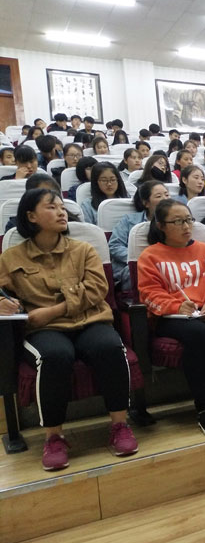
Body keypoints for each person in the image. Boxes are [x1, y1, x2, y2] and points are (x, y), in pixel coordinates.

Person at [0, 187, 138, 470]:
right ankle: (54, 437)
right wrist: (3, 302)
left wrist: (53, 310)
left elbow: (97, 290)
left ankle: (120, 425)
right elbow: (4, 294)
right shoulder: (11, 257)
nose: (61, 212)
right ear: (31, 216)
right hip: (45, 330)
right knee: (54, 355)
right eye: (51, 207)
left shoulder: (82, 249)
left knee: (110, 346)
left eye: (62, 207)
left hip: (88, 319)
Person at [137, 199, 205, 436]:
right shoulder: (150, 256)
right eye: (178, 222)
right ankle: (204, 407)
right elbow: (149, 293)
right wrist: (177, 306)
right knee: (198, 334)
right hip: (173, 316)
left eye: (189, 220)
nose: (186, 226)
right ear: (161, 226)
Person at [109, 181, 170, 291]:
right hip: (134, 266)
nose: (165, 199)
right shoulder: (129, 220)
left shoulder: (175, 222)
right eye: (158, 196)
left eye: (167, 195)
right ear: (146, 203)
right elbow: (114, 245)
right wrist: (142, 259)